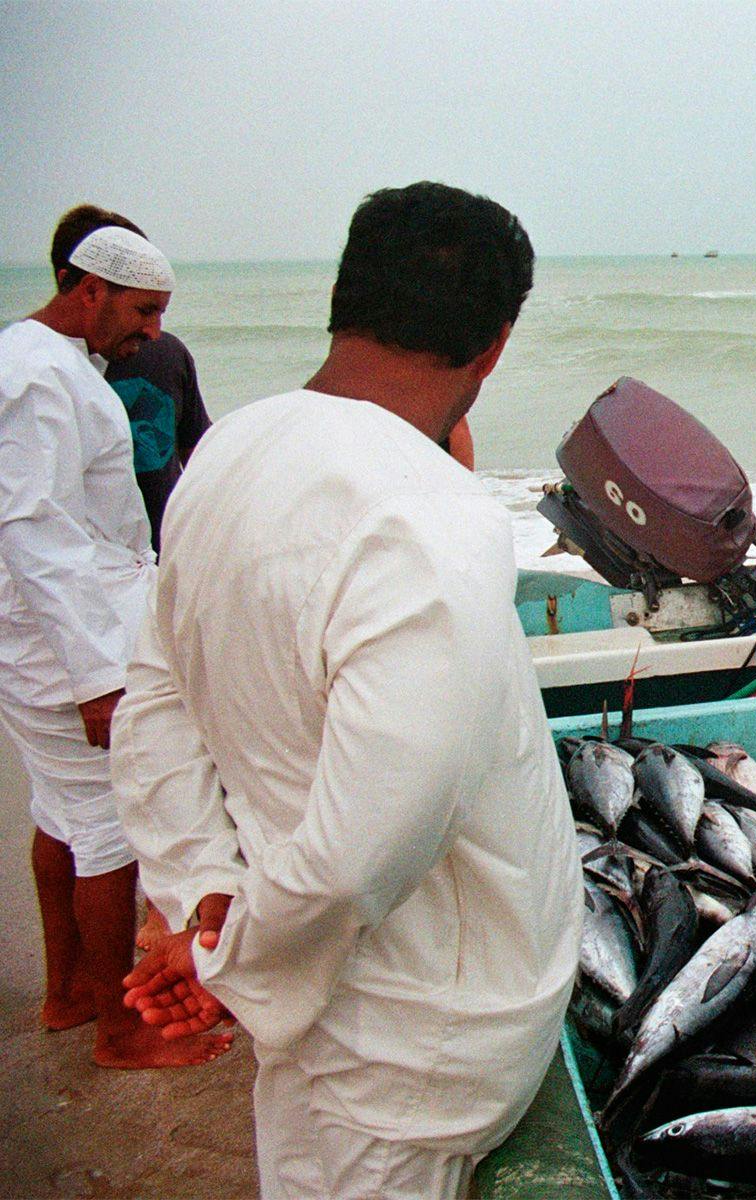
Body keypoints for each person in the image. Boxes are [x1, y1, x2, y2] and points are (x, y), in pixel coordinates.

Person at [113, 181, 579, 1199]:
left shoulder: (227, 451)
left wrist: (208, 905)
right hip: (420, 1049)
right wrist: (228, 960)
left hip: (318, 1006)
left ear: (344, 300)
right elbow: (369, 839)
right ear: (495, 345)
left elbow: (156, 703)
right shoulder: (433, 519)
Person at [0, 206, 232, 1068]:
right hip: (61, 646)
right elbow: (33, 530)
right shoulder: (35, 377)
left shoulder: (56, 365)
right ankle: (120, 1027)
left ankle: (66, 994)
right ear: (86, 288)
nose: (153, 332)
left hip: (63, 632)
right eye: (141, 310)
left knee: (60, 815)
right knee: (106, 829)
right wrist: (96, 675)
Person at [105, 329, 211, 551]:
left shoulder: (167, 353)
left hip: (170, 543)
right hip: (89, 558)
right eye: (145, 310)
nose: (153, 329)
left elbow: (200, 457)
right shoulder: (53, 371)